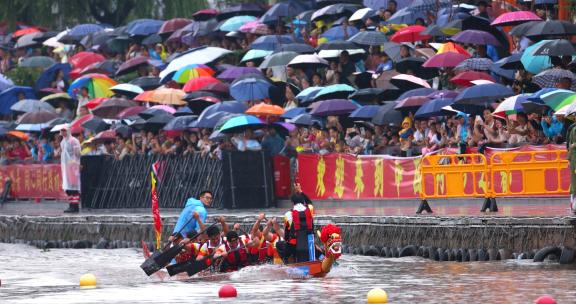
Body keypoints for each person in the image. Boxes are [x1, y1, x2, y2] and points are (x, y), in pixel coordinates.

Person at [279, 183, 315, 263]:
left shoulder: (288, 214)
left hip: (294, 245)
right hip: (309, 242)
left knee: (279, 245)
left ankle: (287, 262)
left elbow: (287, 234)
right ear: (303, 201)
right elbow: (309, 202)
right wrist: (300, 191)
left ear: (292, 202)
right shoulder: (310, 209)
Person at [60, 125, 82, 213]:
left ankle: (75, 206)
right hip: (65, 166)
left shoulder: (74, 141)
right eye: (61, 131)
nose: (63, 132)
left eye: (64, 130)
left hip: (73, 166)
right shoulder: (62, 142)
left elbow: (78, 154)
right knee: (67, 187)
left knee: (74, 187)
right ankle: (71, 204)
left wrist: (77, 163)